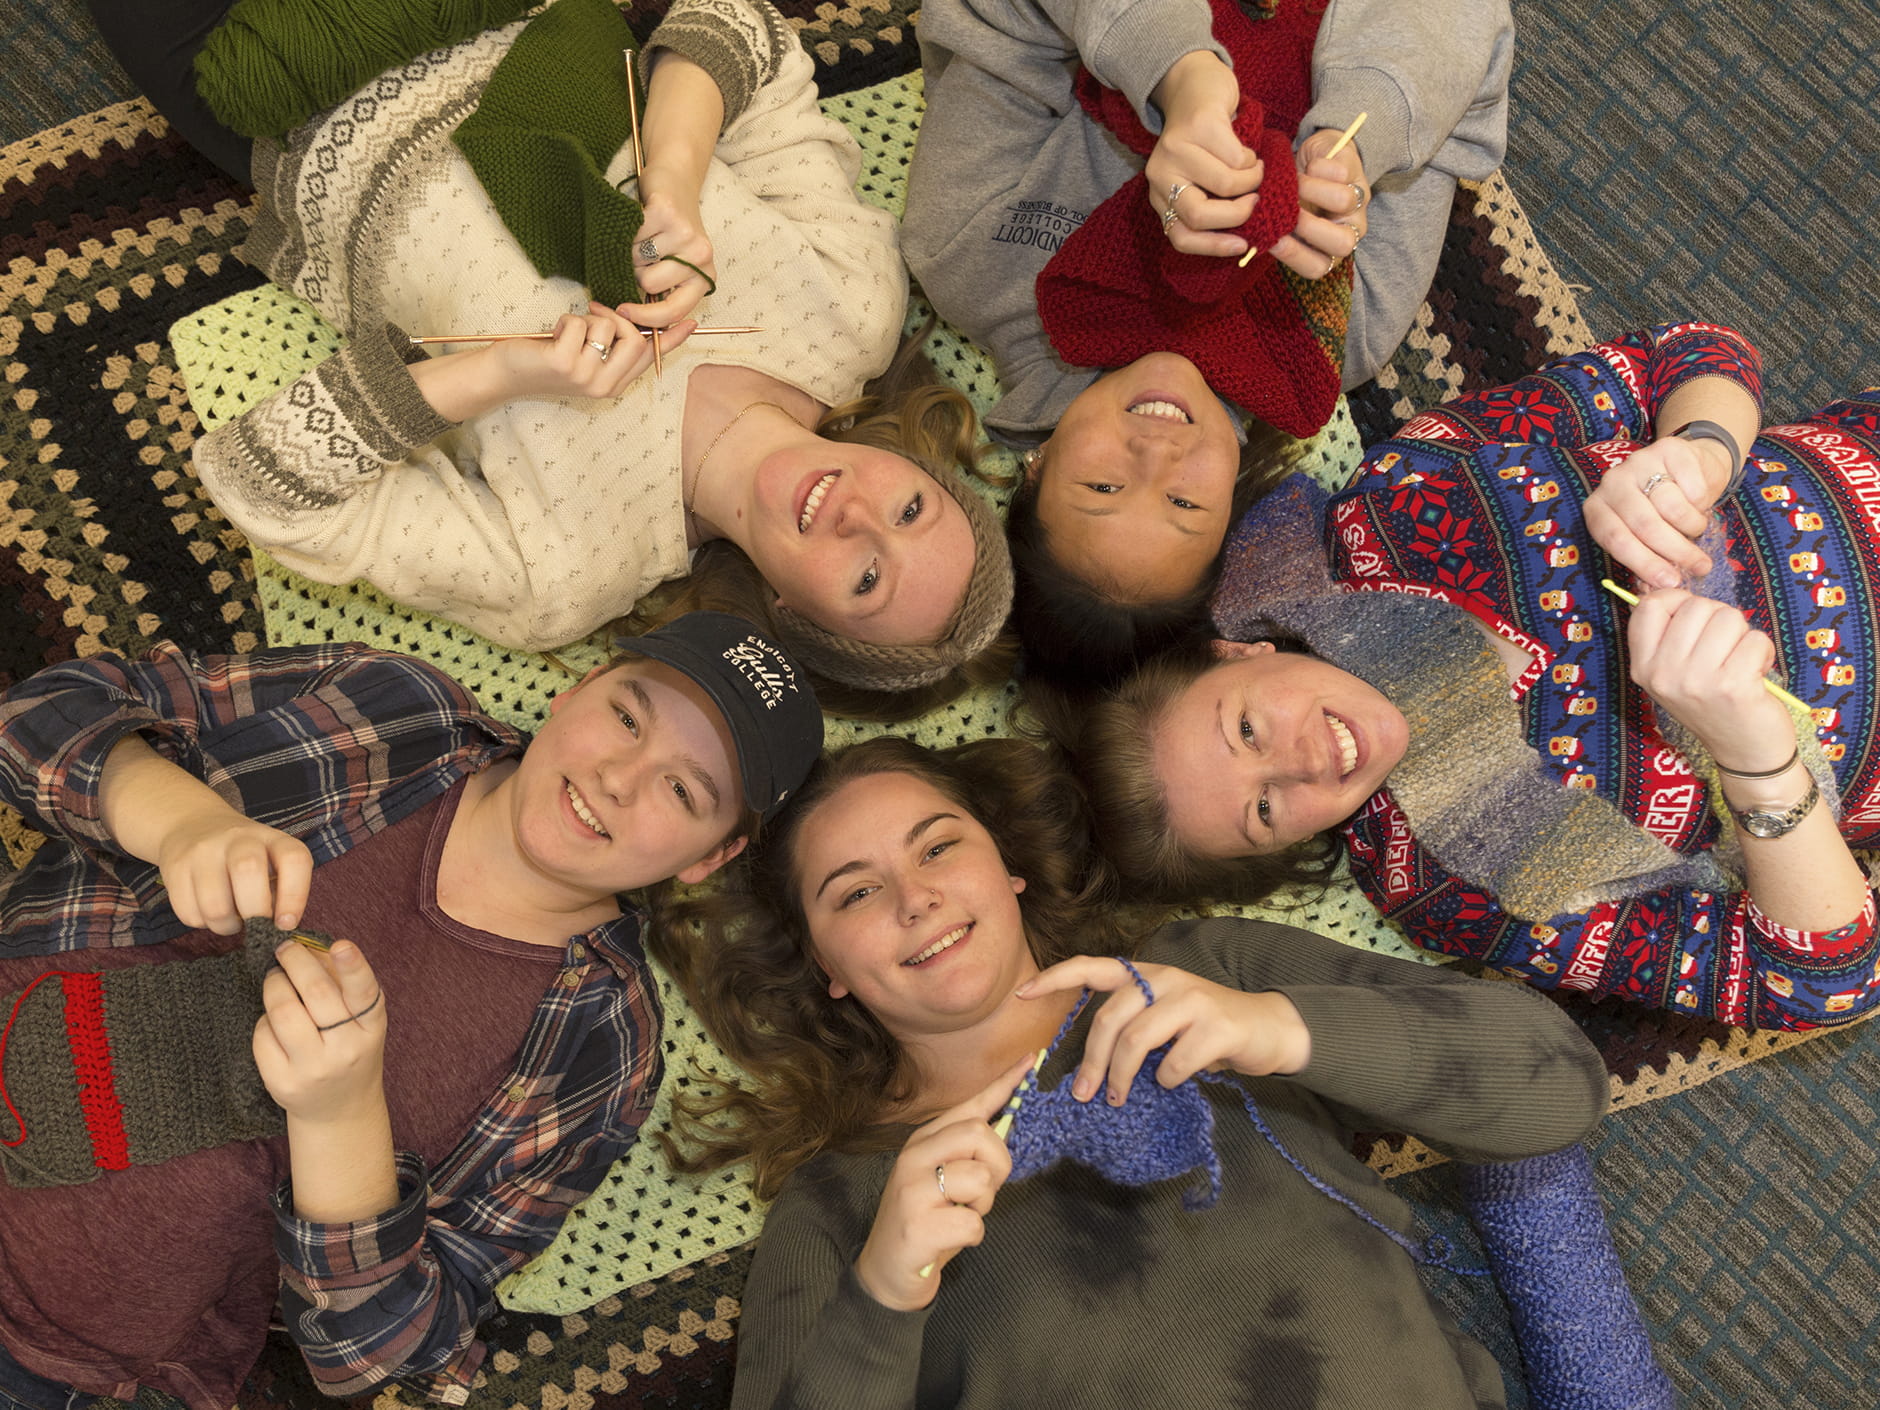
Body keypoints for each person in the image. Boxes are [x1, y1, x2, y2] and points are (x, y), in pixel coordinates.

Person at [0, 611, 822, 1410]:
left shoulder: (605, 1043)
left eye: (682, 790)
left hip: (51, 1356)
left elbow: (380, 1349)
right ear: (577, 691)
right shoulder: (393, 706)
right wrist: (181, 820)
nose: (618, 777)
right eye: (626, 717)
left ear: (710, 858)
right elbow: (39, 712)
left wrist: (340, 1118)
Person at [649, 736, 1608, 1408]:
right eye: (855, 892)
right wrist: (884, 1296)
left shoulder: (1203, 970)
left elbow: (1561, 1085)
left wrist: (1274, 1027)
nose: (917, 897)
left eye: (939, 845)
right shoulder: (841, 1206)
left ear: (1008, 868)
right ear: (827, 970)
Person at [124, 0, 1012, 719]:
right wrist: (675, 175)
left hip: (283, 92)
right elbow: (744, 34)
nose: (860, 517)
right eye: (910, 508)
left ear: (793, 619)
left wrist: (505, 374)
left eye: (866, 579)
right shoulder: (853, 311)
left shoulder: (567, 574)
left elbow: (259, 483)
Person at [1076, 321, 1880, 1029]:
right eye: (1265, 808)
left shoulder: (1394, 501)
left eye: (1246, 728)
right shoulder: (1448, 885)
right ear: (1284, 846)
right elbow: (1823, 984)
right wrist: (1757, 761)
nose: (1303, 759)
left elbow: (1681, 353)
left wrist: (1701, 453)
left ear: (1240, 650)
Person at [902, 0, 1513, 686]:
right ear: (1230, 505)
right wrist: (1360, 142)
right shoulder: (1340, 335)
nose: (1157, 455)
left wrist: (1177, 75)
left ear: (1039, 463)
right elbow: (1465, 29)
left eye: (1103, 484)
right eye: (1184, 505)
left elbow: (989, 15)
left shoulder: (968, 258)